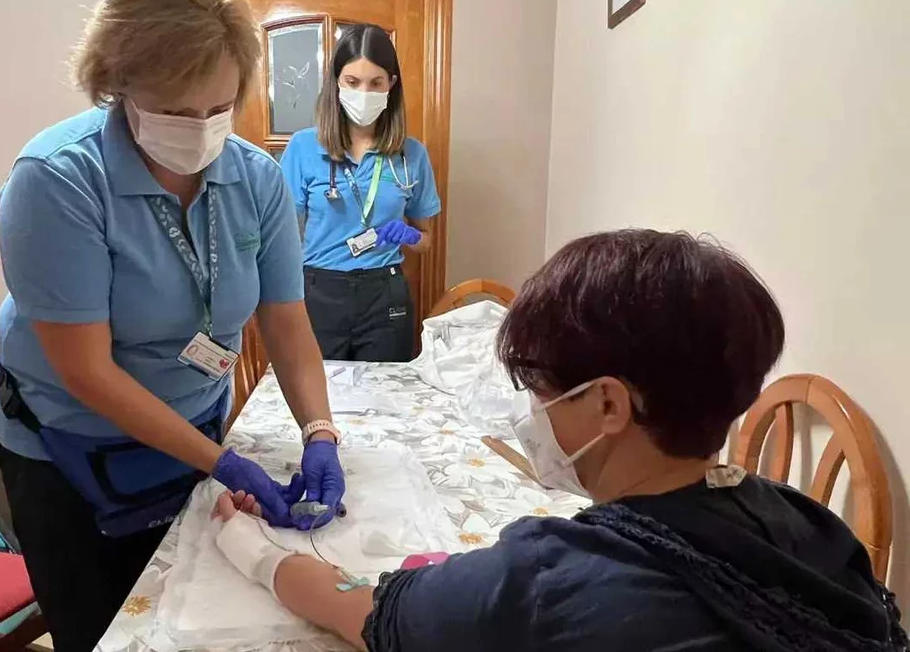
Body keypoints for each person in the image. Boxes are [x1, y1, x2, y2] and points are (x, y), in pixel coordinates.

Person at [211, 229, 908, 652]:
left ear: (607, 402)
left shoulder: (549, 581)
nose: (531, 415)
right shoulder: (809, 523)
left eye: (541, 393)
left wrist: (245, 546)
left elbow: (361, 610)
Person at [0, 0, 344, 650]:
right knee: (105, 629)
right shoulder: (57, 181)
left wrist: (320, 432)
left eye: (220, 107)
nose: (202, 128)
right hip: (69, 449)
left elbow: (286, 325)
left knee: (195, 617)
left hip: (192, 432)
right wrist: (222, 463)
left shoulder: (255, 178)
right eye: (177, 112)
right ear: (116, 84)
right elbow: (87, 374)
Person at [280, 24, 441, 362]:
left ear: (391, 85)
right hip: (320, 290)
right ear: (336, 82)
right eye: (352, 82)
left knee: (384, 398)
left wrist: (410, 234)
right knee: (322, 395)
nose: (363, 93)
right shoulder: (304, 147)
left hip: (385, 295)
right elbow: (281, 237)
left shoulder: (411, 154)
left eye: (375, 83)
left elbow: (427, 241)